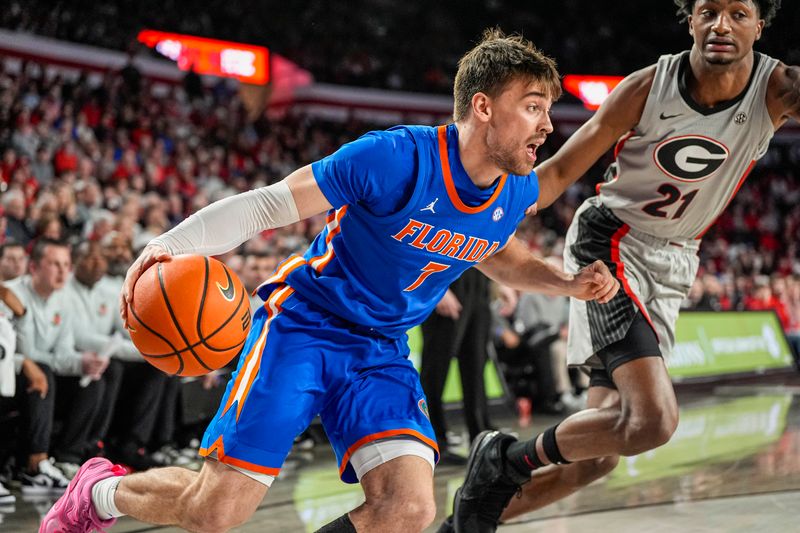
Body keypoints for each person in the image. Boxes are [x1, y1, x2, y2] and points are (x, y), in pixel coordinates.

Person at [42, 29, 619, 533]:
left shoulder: (513, 190)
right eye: (535, 105)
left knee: (409, 508)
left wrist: (566, 284)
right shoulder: (393, 159)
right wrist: (166, 245)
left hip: (380, 350)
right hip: (304, 325)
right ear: (484, 107)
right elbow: (269, 207)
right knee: (216, 510)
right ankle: (97, 491)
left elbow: (499, 256)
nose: (547, 123)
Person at [443, 1, 800, 531]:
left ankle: (464, 526)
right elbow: (561, 169)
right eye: (709, 11)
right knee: (653, 422)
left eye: (738, 13)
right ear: (691, 19)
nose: (721, 25)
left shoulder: (780, 87)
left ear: (760, 24)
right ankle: (504, 460)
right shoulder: (646, 86)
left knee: (599, 456)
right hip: (611, 244)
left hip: (677, 260)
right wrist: (477, 202)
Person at [5, 239, 110, 493]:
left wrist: (83, 363)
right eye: (54, 264)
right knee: (43, 369)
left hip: (43, 376)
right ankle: (35, 465)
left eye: (66, 264)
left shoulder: (63, 300)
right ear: (34, 267)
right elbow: (21, 353)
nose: (63, 271)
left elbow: (63, 354)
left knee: (93, 381)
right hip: (11, 374)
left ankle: (67, 458)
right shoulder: (9, 294)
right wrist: (32, 357)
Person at [420, 268, 495, 466]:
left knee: (476, 366)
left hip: (478, 282)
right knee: (436, 370)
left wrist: (499, 283)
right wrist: (435, 288)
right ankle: (434, 442)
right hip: (445, 282)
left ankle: (481, 436)